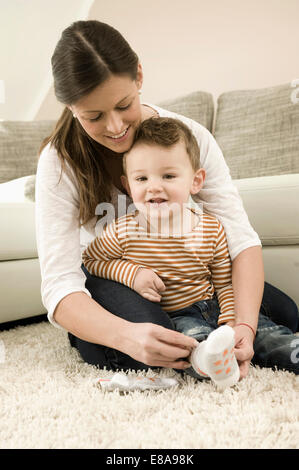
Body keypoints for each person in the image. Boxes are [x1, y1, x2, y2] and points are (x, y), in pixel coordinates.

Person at [36, 20, 298, 380]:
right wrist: (125, 336)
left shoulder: (188, 137)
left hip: (187, 274)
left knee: (283, 313)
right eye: (93, 117)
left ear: (139, 76)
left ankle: (204, 342)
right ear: (69, 108)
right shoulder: (58, 161)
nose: (114, 127)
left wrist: (245, 327)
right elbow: (59, 284)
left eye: (123, 105)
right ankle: (94, 337)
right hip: (115, 275)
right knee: (155, 335)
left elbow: (239, 238)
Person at [81, 116, 299, 379]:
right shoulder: (122, 231)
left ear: (195, 181)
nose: (154, 187)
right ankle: (214, 362)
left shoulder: (211, 228)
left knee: (268, 332)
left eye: (169, 176)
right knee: (191, 342)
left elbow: (224, 285)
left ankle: (283, 351)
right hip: (176, 316)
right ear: (128, 185)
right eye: (142, 179)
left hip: (213, 305)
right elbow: (93, 261)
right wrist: (133, 274)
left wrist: (232, 323)